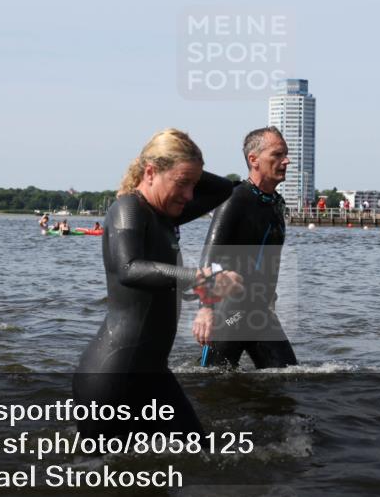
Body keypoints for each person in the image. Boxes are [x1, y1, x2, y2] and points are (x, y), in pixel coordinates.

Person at [73, 129, 241, 437]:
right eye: (182, 183)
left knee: (198, 456)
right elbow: (129, 268)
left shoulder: (165, 215)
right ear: (150, 172)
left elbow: (222, 190)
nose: (190, 195)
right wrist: (202, 276)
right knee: (101, 480)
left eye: (193, 184)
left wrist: (186, 167)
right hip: (113, 375)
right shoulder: (128, 210)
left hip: (153, 374)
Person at [195, 127, 297, 369]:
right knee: (210, 387)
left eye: (286, 154)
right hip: (230, 312)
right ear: (254, 160)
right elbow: (208, 260)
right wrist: (205, 310)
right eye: (278, 154)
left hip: (261, 312)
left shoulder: (276, 204)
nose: (286, 160)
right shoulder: (234, 199)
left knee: (290, 379)